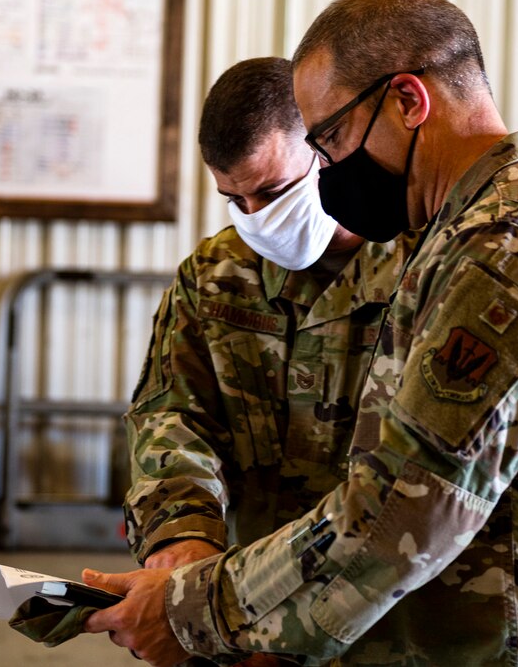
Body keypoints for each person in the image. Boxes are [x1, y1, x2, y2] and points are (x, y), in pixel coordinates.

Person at [83, 0, 518, 666]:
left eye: (328, 139)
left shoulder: (509, 243)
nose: (329, 168)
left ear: (408, 101)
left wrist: (191, 611)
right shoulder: (464, 232)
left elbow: (401, 510)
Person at [122, 56, 420, 665]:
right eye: (234, 198)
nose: (256, 217)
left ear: (325, 150)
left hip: (394, 622)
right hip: (245, 609)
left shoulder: (423, 267)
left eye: (273, 191)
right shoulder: (214, 275)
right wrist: (184, 535)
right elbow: (172, 415)